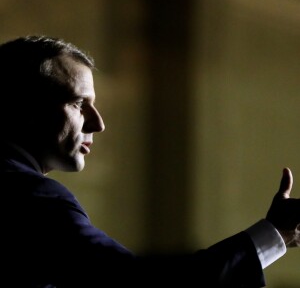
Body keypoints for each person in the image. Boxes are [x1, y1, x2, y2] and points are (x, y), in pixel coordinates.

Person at [0, 35, 299, 288]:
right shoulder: (33, 197)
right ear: (26, 109)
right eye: (79, 104)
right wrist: (275, 234)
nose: (98, 124)